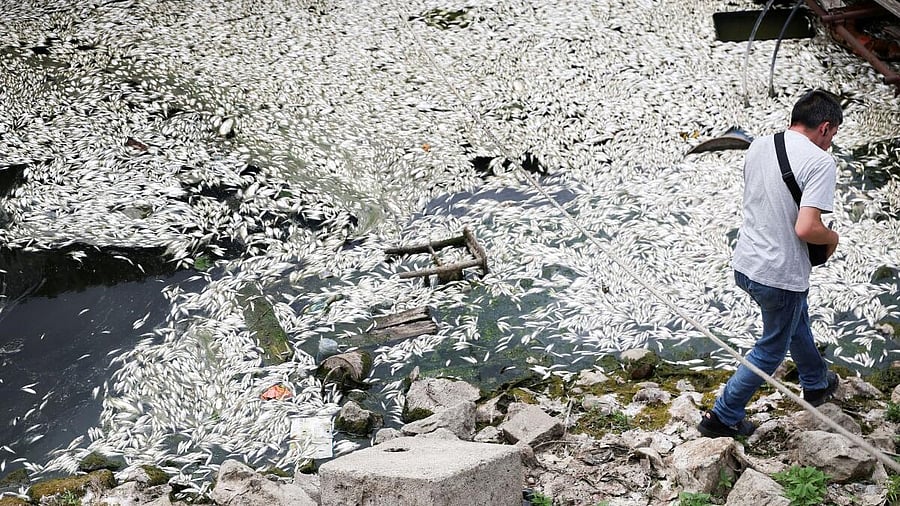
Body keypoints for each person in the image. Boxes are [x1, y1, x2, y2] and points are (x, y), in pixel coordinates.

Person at [698, 90, 843, 438]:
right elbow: (806, 227)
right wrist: (833, 239)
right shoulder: (821, 162)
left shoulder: (761, 144)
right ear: (824, 128)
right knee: (772, 348)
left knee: (795, 319)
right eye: (833, 135)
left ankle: (816, 381)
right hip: (780, 273)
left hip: (747, 262)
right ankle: (722, 416)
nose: (831, 143)